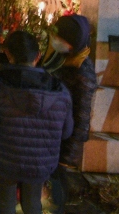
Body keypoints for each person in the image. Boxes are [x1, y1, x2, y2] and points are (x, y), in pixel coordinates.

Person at [0, 31, 73, 214]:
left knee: (4, 205)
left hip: (4, 160)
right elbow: (66, 131)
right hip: (40, 162)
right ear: (38, 56)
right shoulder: (60, 91)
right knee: (33, 204)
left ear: (8, 54)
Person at [47, 15, 96, 214]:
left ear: (75, 43)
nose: (56, 43)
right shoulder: (61, 58)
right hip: (51, 136)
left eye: (63, 41)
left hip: (64, 145)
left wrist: (68, 157)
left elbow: (82, 117)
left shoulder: (83, 73)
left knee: (57, 192)